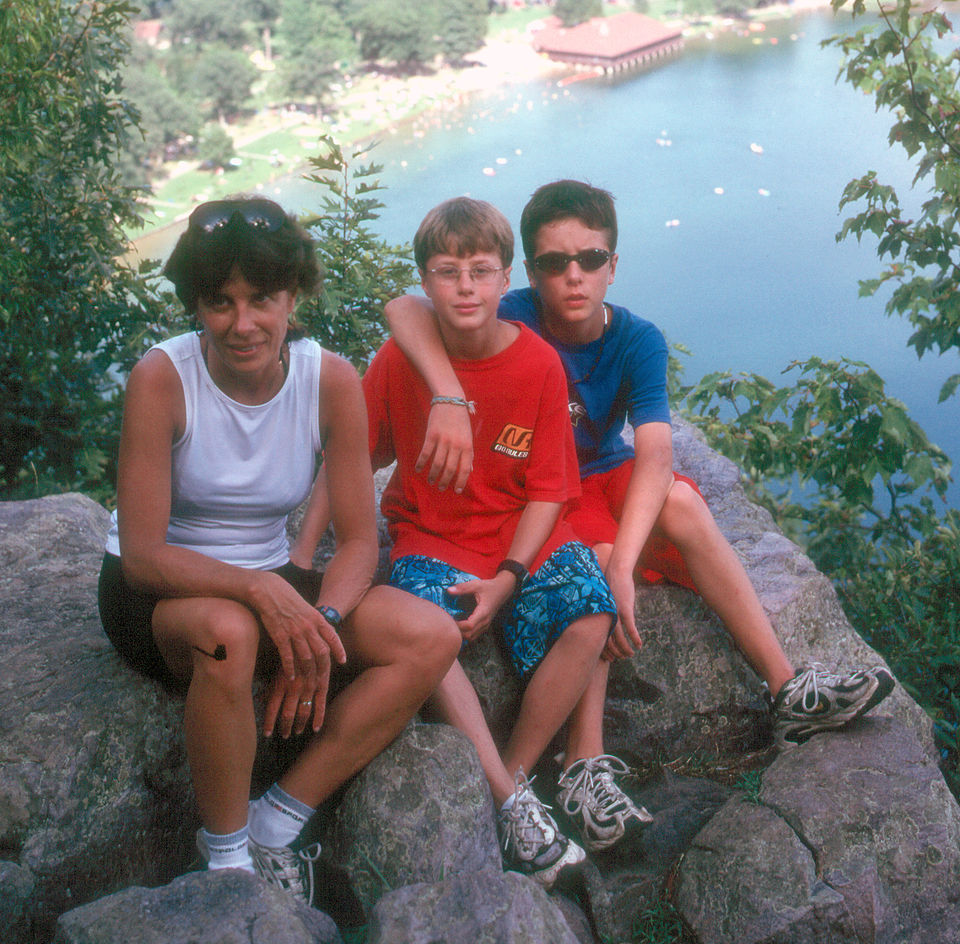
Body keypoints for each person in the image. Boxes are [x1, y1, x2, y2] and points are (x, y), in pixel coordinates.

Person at [385, 179, 894, 855]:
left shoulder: (636, 340)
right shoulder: (508, 313)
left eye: (590, 259)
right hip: (544, 492)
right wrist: (448, 394)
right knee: (588, 563)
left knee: (678, 503)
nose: (573, 275)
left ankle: (788, 688)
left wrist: (627, 566)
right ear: (528, 272)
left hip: (601, 475)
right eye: (553, 262)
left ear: (613, 264)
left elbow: (655, 454)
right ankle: (582, 761)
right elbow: (406, 307)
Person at [99, 196, 460, 903]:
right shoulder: (163, 378)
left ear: (292, 295)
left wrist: (318, 629)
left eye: (261, 298)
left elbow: (358, 542)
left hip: (270, 580)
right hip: (162, 593)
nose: (243, 324)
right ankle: (227, 858)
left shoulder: (328, 380)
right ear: (196, 306)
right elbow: (141, 552)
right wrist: (264, 593)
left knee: (429, 635)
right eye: (219, 302)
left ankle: (277, 819)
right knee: (230, 633)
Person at [363, 196, 620, 888]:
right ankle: (510, 806)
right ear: (427, 281)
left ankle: (516, 773)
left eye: (481, 270)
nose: (467, 287)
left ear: (508, 280)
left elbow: (548, 489)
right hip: (433, 536)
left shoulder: (537, 365)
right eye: (448, 272)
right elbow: (355, 453)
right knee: (427, 637)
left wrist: (509, 577)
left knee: (591, 610)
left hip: (518, 537)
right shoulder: (401, 359)